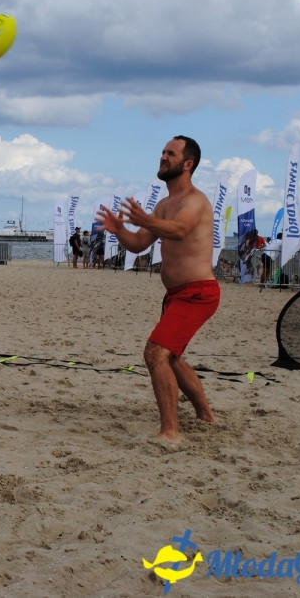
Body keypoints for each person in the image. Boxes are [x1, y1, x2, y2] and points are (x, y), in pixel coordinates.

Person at [95, 135, 219, 444]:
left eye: (171, 153)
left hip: (198, 292)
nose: (163, 157)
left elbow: (180, 230)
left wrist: (146, 219)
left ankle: (170, 433)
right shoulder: (164, 205)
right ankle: (206, 415)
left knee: (155, 353)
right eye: (163, 152)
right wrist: (120, 229)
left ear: (187, 164)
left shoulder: (195, 200)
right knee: (171, 357)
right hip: (176, 295)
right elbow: (139, 244)